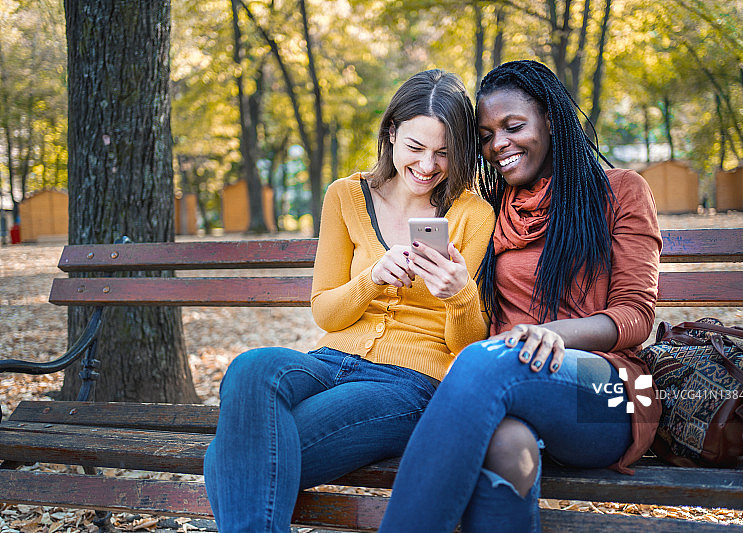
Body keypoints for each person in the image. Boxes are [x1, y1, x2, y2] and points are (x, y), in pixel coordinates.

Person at [203, 69, 495, 532]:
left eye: (443, 152)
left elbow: (465, 347)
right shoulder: (345, 196)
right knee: (250, 369)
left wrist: (459, 296)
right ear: (392, 133)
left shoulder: (472, 215)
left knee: (231, 452)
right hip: (329, 360)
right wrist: (372, 279)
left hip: (408, 384)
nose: (427, 165)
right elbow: (325, 310)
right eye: (415, 148)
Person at [379, 60, 662, 533]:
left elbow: (636, 315)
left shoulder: (620, 192)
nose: (499, 145)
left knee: (489, 358)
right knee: (505, 446)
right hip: (510, 389)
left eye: (514, 127)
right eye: (487, 135)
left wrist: (552, 334)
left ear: (550, 119)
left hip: (611, 397)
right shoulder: (491, 211)